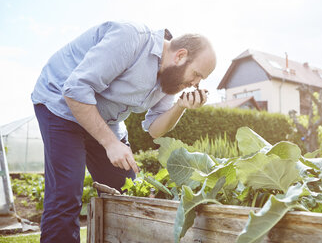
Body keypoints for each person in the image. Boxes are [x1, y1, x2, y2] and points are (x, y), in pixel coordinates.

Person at [31, 20, 216, 243]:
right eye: (197, 74)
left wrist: (180, 106)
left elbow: (155, 129)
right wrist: (110, 143)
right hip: (61, 104)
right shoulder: (131, 38)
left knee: (128, 195)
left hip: (106, 120)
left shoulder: (170, 80)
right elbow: (75, 90)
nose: (195, 83)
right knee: (66, 195)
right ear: (180, 56)